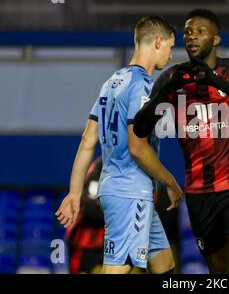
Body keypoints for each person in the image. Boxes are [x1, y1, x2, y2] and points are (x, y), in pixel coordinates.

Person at [133, 9, 229, 274]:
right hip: (199, 193)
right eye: (187, 32)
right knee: (219, 273)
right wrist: (164, 92)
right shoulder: (173, 78)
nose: (191, 37)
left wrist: (217, 81)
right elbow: (140, 129)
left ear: (216, 39)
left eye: (200, 31)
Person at [55, 15, 183, 274]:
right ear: (158, 42)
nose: (170, 56)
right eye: (170, 47)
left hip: (118, 190)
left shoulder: (112, 82)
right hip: (130, 193)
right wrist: (171, 182)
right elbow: (138, 148)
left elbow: (87, 140)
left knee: (164, 265)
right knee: (117, 270)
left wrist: (75, 192)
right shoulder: (144, 87)